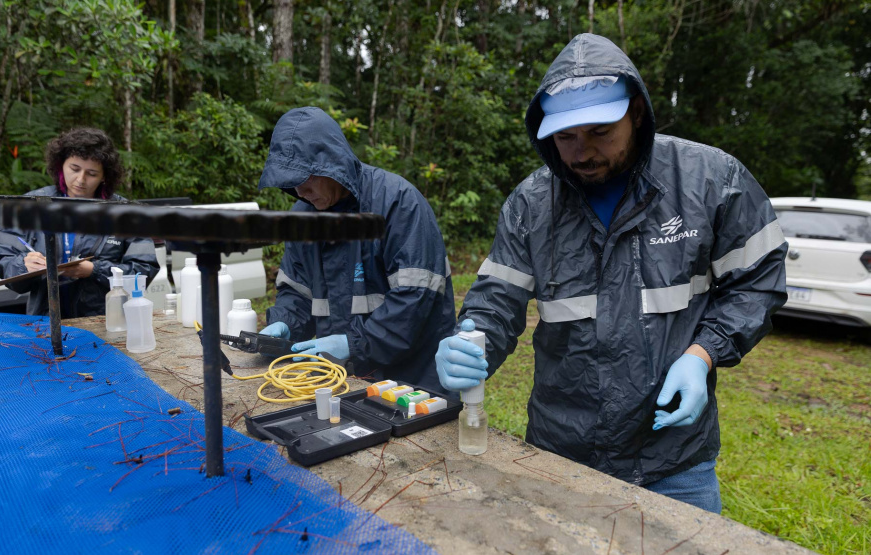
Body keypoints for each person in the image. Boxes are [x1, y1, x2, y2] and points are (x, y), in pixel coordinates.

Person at [434, 34, 787, 513]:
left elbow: (758, 280)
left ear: (637, 112)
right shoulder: (531, 205)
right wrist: (468, 344)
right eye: (565, 137)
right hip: (560, 454)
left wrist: (702, 356)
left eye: (600, 131)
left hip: (674, 461)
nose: (581, 152)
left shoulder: (709, 180)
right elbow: (495, 302)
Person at [258, 107, 456, 392]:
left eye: (306, 178)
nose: (300, 191)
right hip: (341, 381)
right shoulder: (303, 217)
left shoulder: (398, 203)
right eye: (290, 182)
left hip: (412, 379)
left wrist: (352, 344)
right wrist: (285, 322)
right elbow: (296, 293)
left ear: (331, 165)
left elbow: (414, 302)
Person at [0, 127, 159, 318]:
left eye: (92, 173)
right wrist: (24, 265)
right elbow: (4, 264)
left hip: (106, 323)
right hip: (45, 323)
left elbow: (144, 271)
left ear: (105, 175)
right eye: (75, 169)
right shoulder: (28, 207)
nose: (81, 179)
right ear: (61, 164)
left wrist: (94, 270)